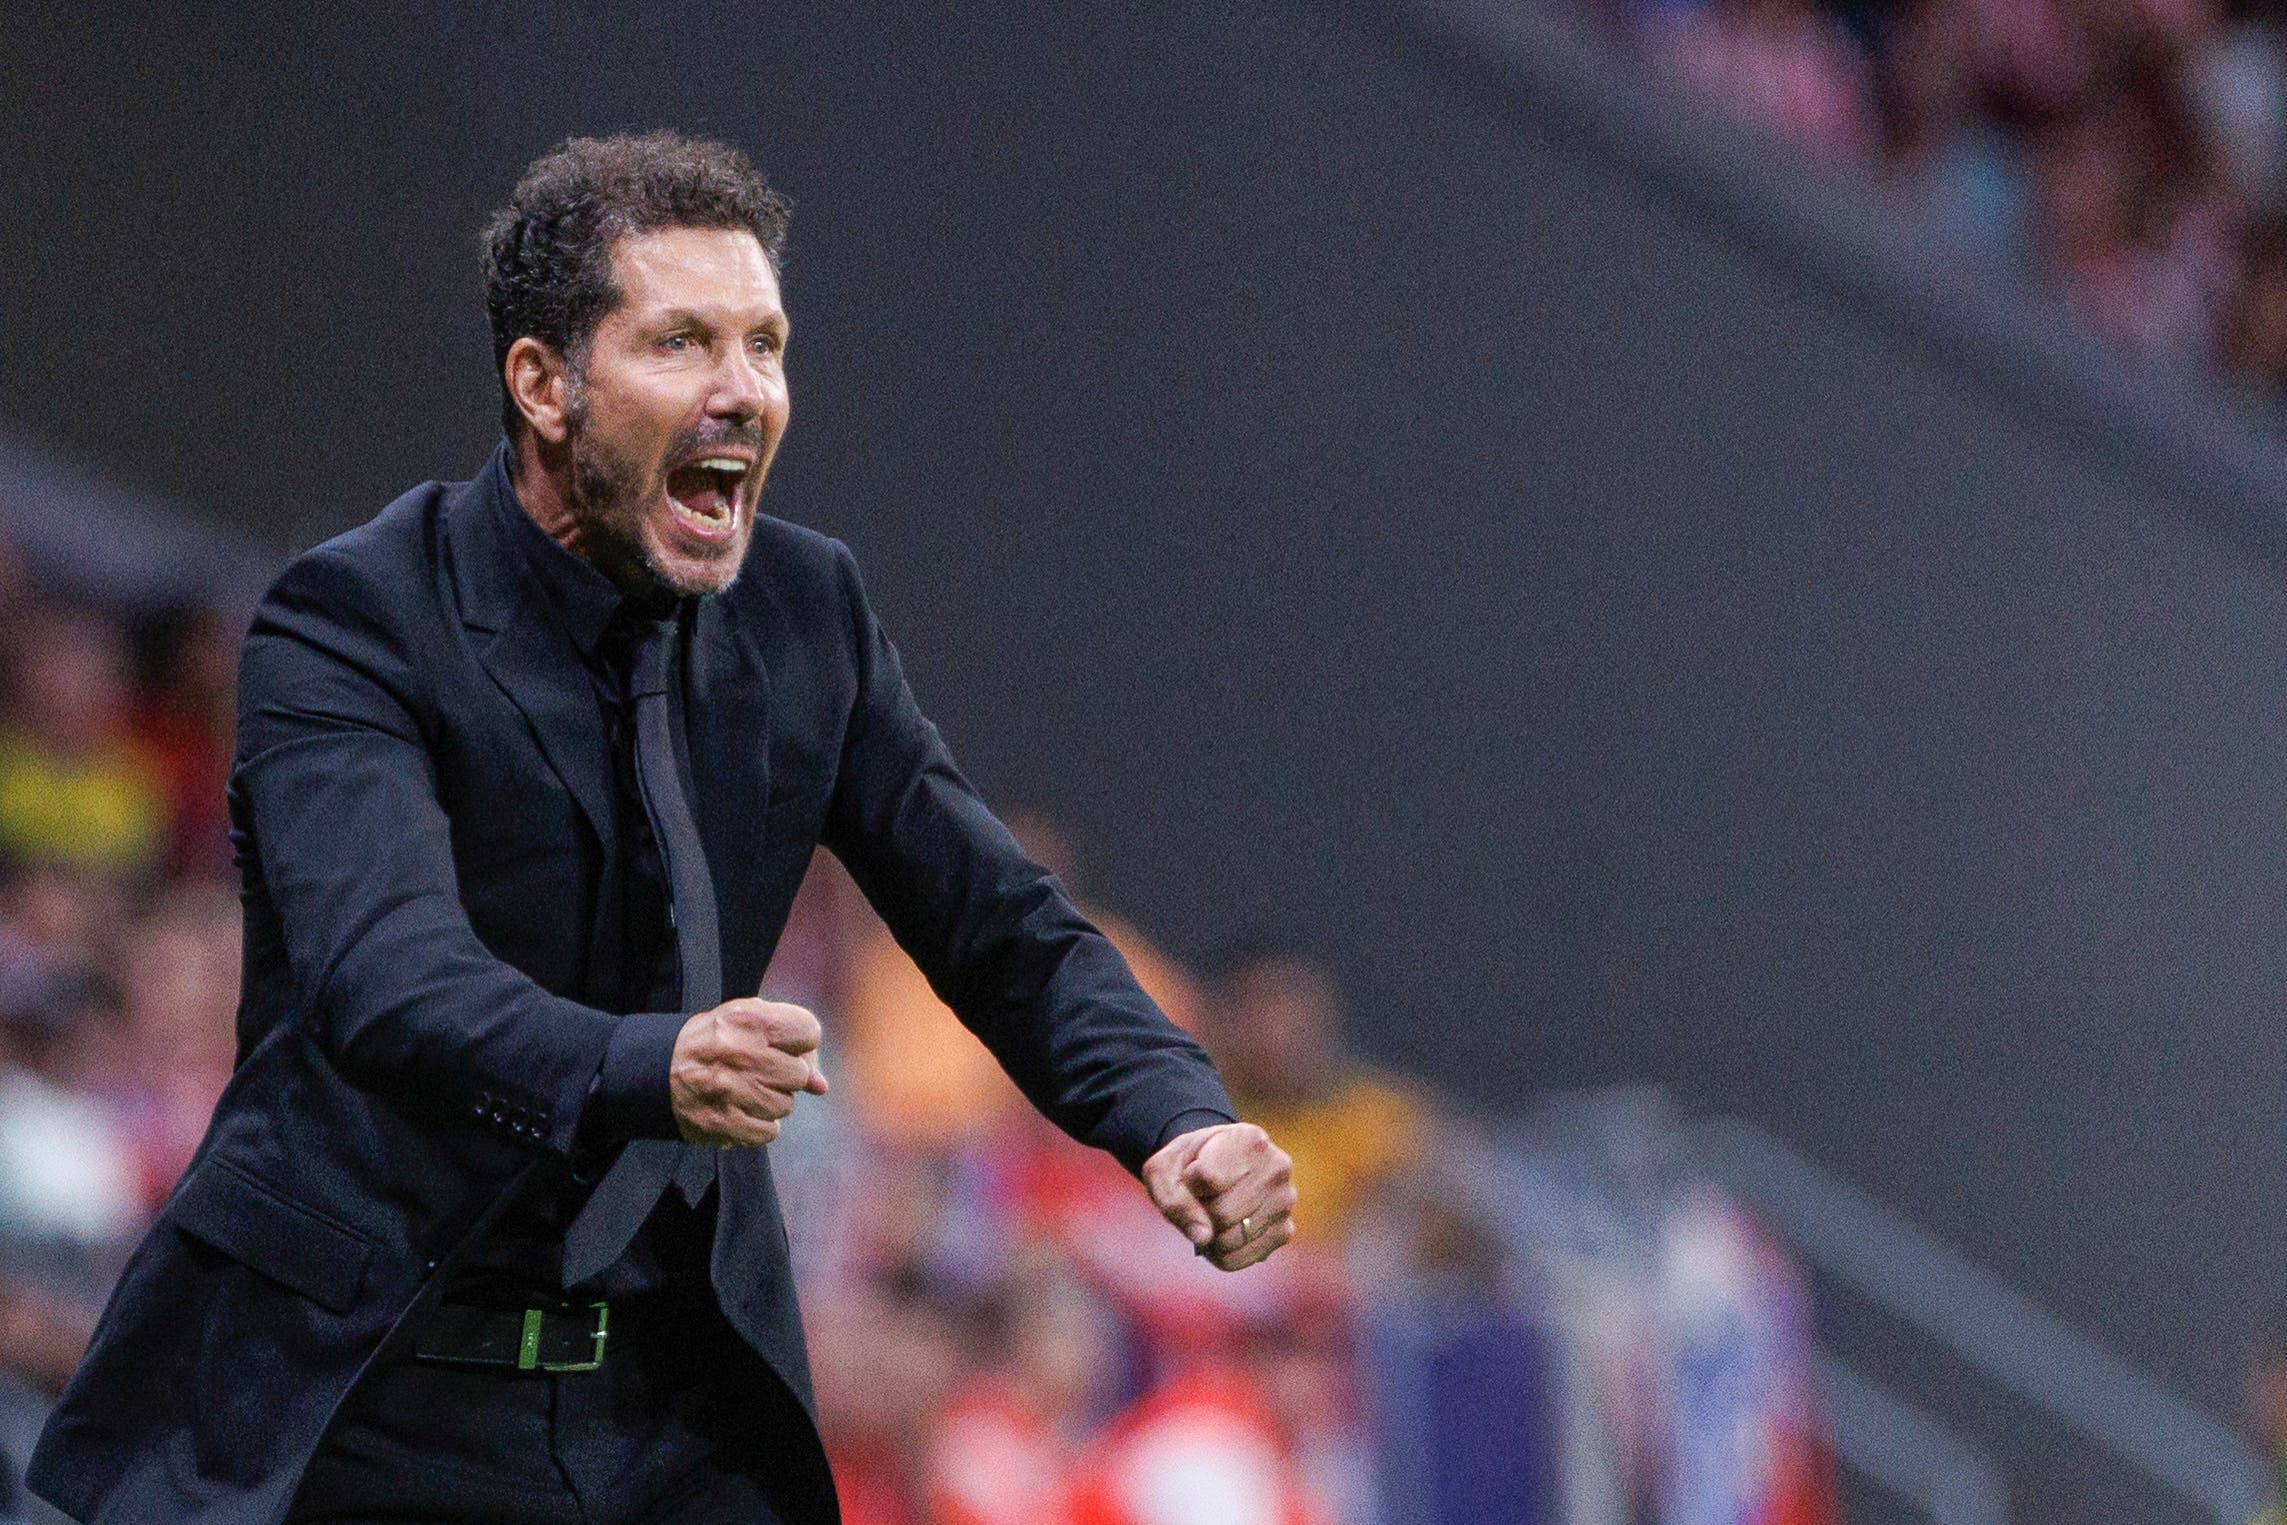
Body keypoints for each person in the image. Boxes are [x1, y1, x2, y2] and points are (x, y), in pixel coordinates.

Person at [27, 131, 1295, 1525]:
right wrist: (647, 1065)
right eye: (684, 342)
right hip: (367, 1397)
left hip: (671, 1414)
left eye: (765, 343)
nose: (742, 391)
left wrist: (1172, 1117)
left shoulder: (807, 615)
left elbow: (1000, 920)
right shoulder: (357, 623)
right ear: (544, 386)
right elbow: (382, 975)